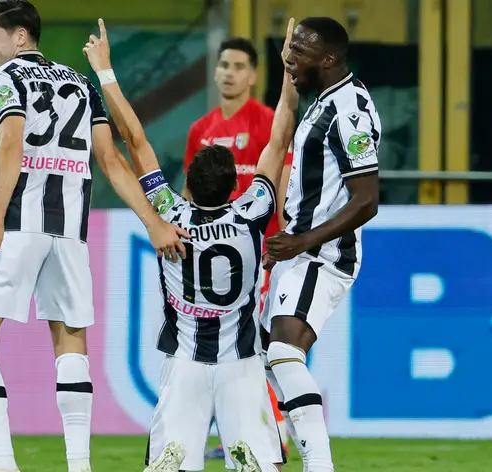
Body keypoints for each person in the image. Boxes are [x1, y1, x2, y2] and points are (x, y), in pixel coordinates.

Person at [0, 3, 188, 472]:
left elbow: (10, 143)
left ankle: (1, 461)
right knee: (70, 345)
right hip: (70, 234)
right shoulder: (80, 83)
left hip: (18, 225)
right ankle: (79, 465)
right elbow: (111, 161)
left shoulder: (5, 78)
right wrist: (153, 223)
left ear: (20, 37)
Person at [84, 18, 298, 472]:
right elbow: (279, 139)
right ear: (235, 185)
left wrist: (105, 71)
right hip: (242, 364)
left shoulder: (170, 217)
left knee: (170, 466)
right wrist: (289, 71)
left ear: (189, 184)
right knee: (261, 465)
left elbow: (135, 140)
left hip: (185, 365)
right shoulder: (252, 213)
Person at [262, 17, 381, 472]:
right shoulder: (324, 100)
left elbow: (367, 200)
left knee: (283, 352)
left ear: (328, 59)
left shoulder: (348, 110)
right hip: (301, 250)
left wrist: (301, 241)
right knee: (267, 360)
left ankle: (319, 464)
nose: (289, 59)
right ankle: (276, 456)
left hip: (324, 254)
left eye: (299, 52)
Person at [182, 36, 292, 460]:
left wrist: (286, 238)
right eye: (224, 64)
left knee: (256, 345)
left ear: (254, 75)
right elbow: (189, 194)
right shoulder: (201, 129)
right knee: (227, 347)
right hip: (214, 259)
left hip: (260, 255)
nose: (229, 73)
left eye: (239, 66)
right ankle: (244, 433)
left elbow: (283, 183)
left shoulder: (267, 122)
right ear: (215, 71)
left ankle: (273, 432)